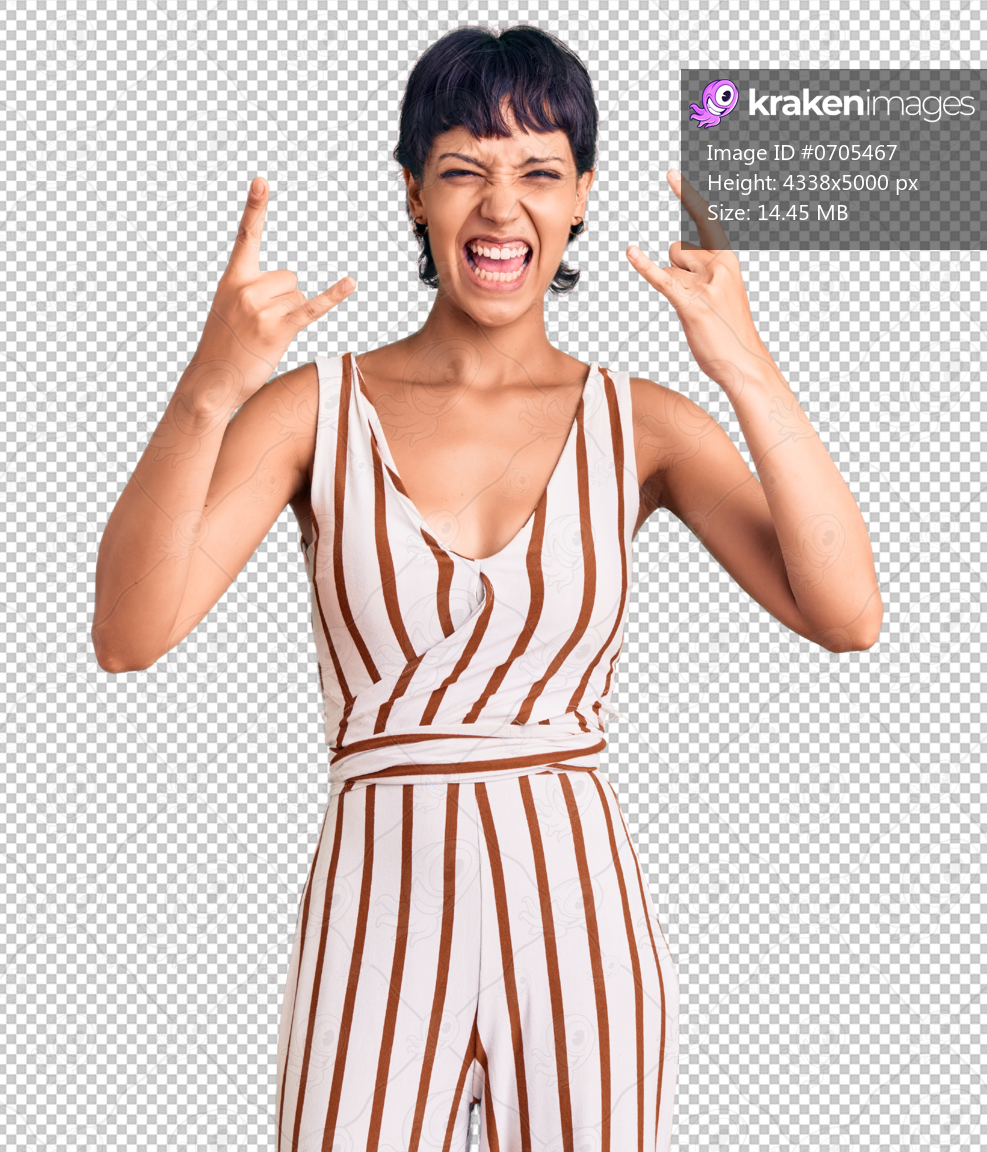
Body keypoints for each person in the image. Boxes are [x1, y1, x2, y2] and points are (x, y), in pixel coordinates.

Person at [91, 24, 882, 1152]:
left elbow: (847, 613)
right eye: (463, 168)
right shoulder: (308, 411)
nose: (500, 207)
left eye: (538, 172)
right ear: (412, 192)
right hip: (375, 918)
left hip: (578, 913)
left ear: (581, 198)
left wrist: (740, 359)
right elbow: (128, 633)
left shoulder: (642, 422)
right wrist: (207, 392)